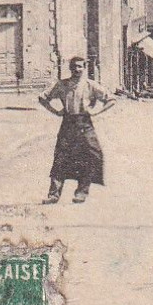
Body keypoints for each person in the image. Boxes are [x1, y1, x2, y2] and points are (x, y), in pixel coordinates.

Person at [38, 57, 113, 204]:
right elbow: (43, 98)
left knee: (92, 155)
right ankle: (53, 195)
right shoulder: (62, 85)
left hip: (85, 124)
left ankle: (81, 192)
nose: (77, 70)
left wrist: (96, 112)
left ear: (84, 68)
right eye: (74, 67)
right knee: (61, 157)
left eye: (80, 67)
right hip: (68, 123)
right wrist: (55, 111)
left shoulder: (91, 85)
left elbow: (111, 99)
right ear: (70, 68)